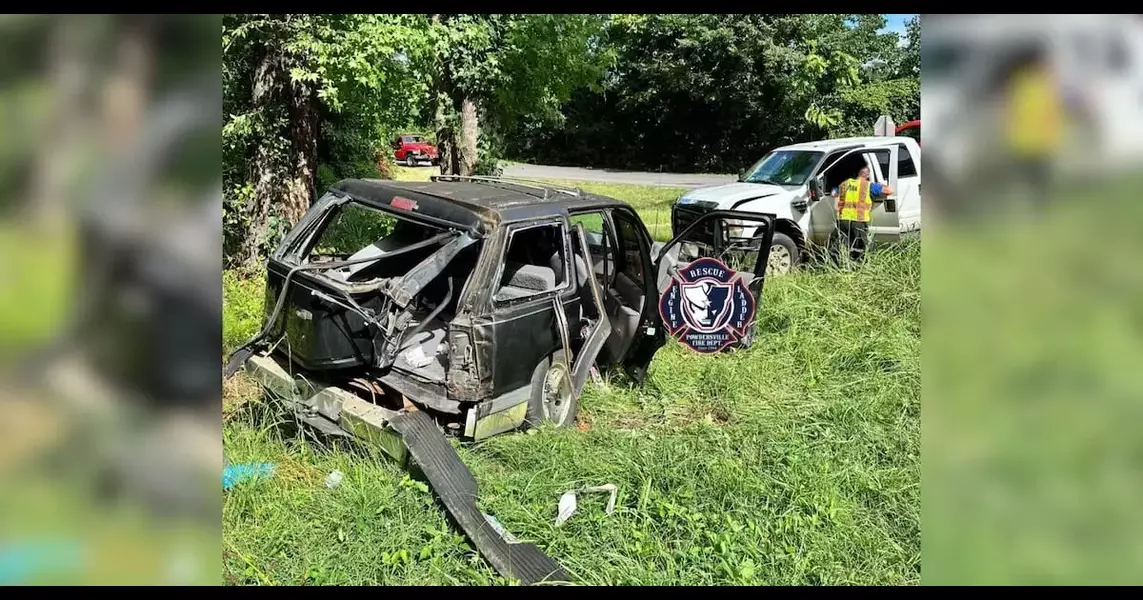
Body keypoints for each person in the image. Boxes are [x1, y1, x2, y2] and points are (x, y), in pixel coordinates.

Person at [829, 167, 893, 266]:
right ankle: (859, 267)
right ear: (867, 175)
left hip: (843, 220)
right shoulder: (868, 186)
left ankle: (835, 266)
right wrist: (880, 184)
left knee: (838, 245)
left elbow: (833, 193)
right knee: (859, 247)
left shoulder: (845, 183)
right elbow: (889, 191)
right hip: (858, 221)